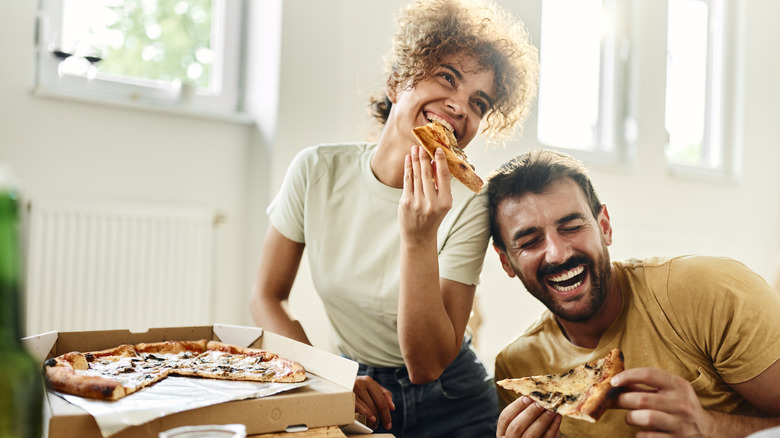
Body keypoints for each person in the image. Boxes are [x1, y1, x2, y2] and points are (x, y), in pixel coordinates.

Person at [249, 1, 539, 437]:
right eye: (447, 77)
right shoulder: (315, 171)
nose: (460, 107)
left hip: (456, 400)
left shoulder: (471, 204)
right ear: (396, 80)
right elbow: (265, 297)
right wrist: (323, 380)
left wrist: (419, 237)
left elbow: (426, 366)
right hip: (357, 392)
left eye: (478, 102)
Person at [486, 149, 780, 438]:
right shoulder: (516, 368)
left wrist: (709, 428)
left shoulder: (710, 291)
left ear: (604, 227)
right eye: (530, 241)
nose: (557, 254)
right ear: (505, 261)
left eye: (572, 227)